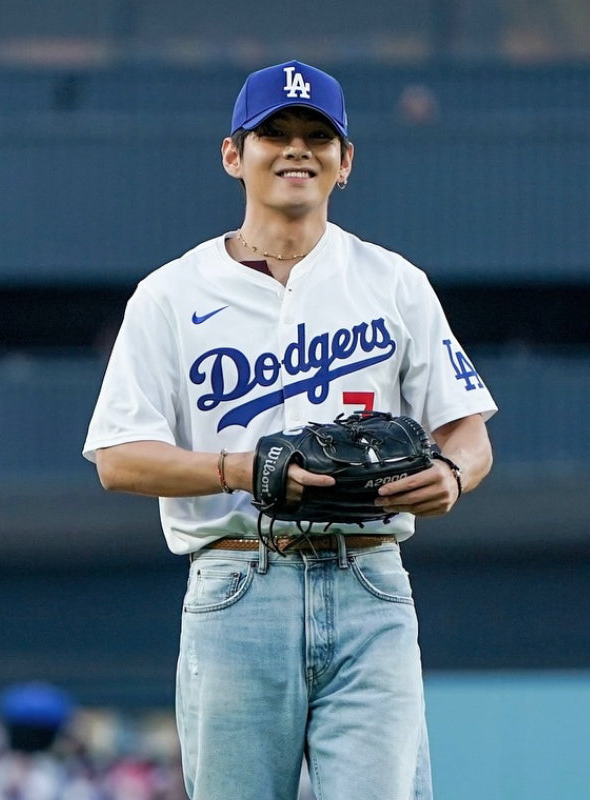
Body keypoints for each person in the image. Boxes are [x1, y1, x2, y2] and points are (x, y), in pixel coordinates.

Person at [83, 59, 496, 800]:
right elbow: (117, 458)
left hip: (370, 576)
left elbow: (469, 432)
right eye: (275, 132)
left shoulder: (394, 282)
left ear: (345, 163)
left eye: (318, 135)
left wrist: (456, 474)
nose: (298, 147)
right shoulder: (170, 294)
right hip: (239, 576)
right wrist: (237, 470)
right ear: (233, 155)